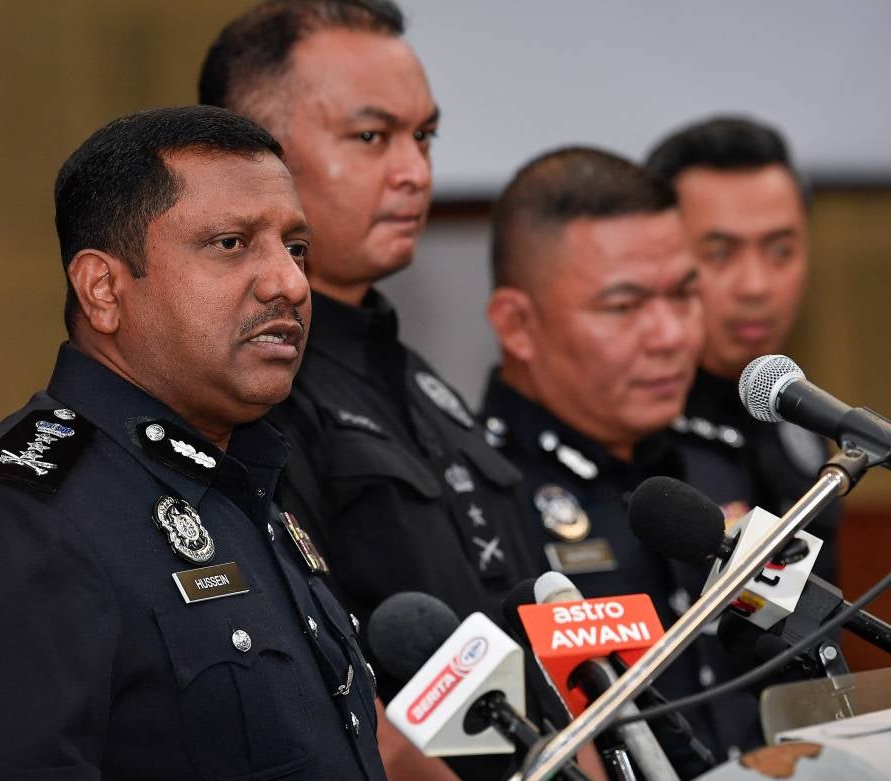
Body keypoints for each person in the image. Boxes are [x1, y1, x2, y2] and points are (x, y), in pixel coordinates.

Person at [0, 106, 386, 781]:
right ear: (103, 289)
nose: (290, 283)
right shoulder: (13, 521)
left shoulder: (245, 481)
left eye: (295, 247)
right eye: (231, 243)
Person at [198, 3, 560, 779]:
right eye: (371, 137)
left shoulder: (421, 380)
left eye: (423, 136)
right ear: (251, 155)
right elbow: (334, 699)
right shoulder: (254, 395)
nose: (417, 172)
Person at [481, 146, 759, 774]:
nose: (671, 336)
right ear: (518, 326)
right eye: (624, 306)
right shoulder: (476, 491)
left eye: (684, 295)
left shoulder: (716, 461)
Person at [646, 117, 840, 583]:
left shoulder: (791, 399)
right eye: (719, 254)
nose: (755, 287)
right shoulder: (633, 426)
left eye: (780, 251)